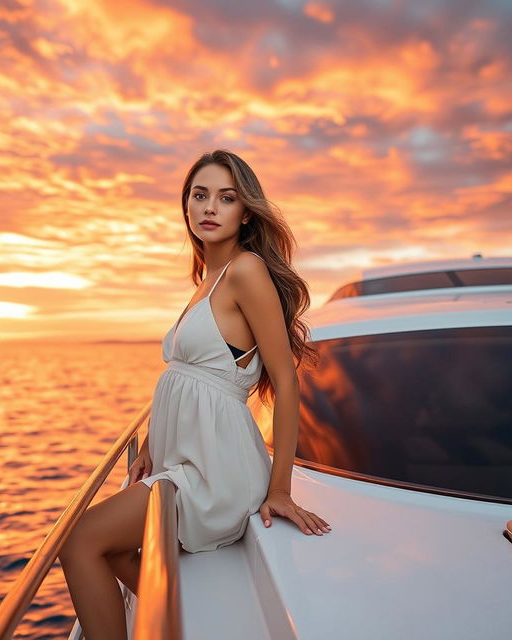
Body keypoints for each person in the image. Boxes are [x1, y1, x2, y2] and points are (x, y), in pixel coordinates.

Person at [59, 149, 331, 639]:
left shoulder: (246, 271)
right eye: (199, 195)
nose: (210, 207)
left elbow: (286, 382)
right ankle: (189, 621)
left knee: (79, 541)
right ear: (185, 205)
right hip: (185, 462)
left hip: (218, 472)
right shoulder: (206, 278)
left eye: (226, 198)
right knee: (106, 544)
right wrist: (154, 450)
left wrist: (281, 490)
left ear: (245, 211)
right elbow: (190, 379)